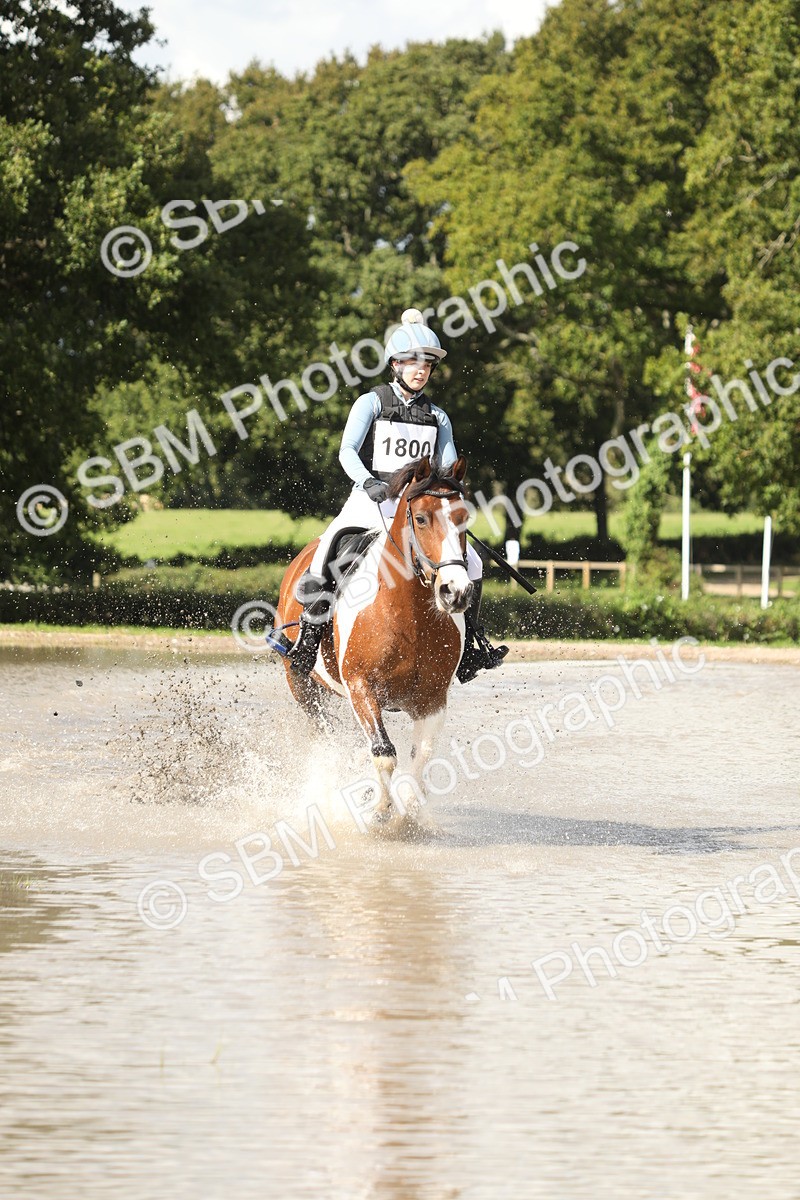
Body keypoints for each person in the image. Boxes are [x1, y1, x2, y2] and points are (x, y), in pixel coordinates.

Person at [287, 308, 508, 683]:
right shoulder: (371, 403)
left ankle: (471, 644)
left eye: (427, 364)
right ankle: (309, 637)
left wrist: (446, 497)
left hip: (419, 506)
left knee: (471, 563)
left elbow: (448, 466)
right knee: (329, 549)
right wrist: (367, 481)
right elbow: (347, 451)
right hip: (372, 498)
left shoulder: (437, 417)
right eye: (413, 362)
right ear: (395, 364)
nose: (421, 370)